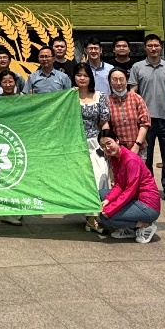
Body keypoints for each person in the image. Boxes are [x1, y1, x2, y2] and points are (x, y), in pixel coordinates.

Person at [129, 34, 165, 205]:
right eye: (150, 45)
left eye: (156, 45)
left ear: (161, 47)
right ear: (145, 47)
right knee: (147, 158)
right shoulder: (137, 67)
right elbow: (133, 92)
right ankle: (148, 190)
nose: (153, 48)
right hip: (145, 121)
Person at [94, 129, 160, 243]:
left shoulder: (131, 160)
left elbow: (130, 190)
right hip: (135, 199)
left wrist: (111, 208)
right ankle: (129, 228)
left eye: (109, 143)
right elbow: (119, 185)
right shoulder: (115, 158)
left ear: (117, 141)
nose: (107, 148)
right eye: (103, 146)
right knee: (102, 194)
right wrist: (108, 200)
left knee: (106, 218)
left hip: (148, 206)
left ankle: (145, 225)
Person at [76, 64, 111, 230]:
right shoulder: (69, 97)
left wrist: (107, 143)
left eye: (85, 75)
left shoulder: (100, 96)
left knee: (101, 178)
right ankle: (90, 218)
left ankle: (100, 213)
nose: (82, 78)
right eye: (79, 75)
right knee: (84, 182)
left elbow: (104, 122)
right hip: (76, 145)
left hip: (96, 143)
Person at [106, 67, 150, 160]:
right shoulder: (107, 102)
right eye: (115, 80)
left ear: (127, 80)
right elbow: (106, 127)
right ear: (110, 82)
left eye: (121, 79)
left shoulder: (136, 98)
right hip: (117, 150)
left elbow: (145, 124)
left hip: (138, 148)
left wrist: (137, 145)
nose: (118, 83)